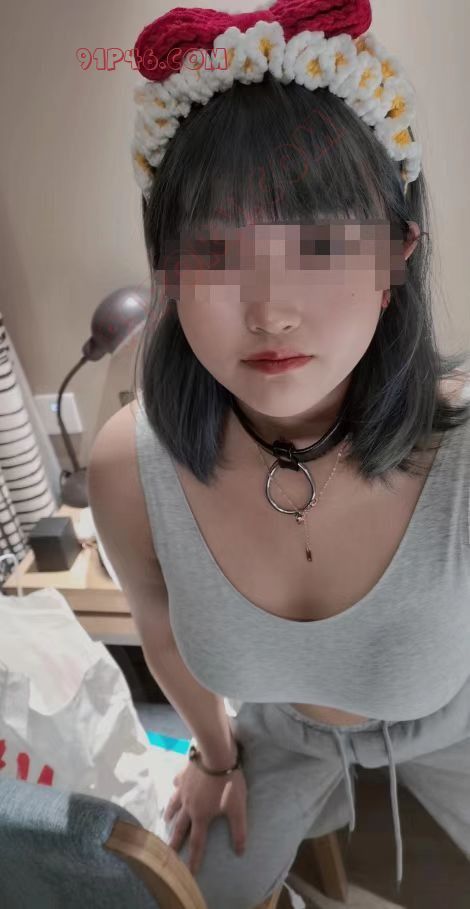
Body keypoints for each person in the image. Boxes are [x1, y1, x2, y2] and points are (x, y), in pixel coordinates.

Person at [88, 2, 470, 906]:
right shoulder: (131, 470)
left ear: (394, 262)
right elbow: (160, 629)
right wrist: (215, 759)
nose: (271, 311)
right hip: (283, 739)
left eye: (321, 246)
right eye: (216, 252)